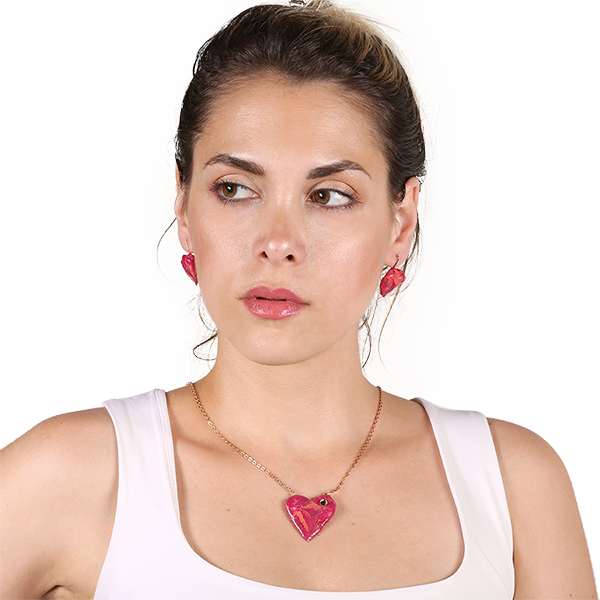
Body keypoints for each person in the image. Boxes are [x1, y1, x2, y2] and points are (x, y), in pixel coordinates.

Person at [0, 0, 596, 598]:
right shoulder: (64, 477)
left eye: (329, 195)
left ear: (400, 222)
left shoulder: (514, 487)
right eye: (235, 189)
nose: (278, 243)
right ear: (183, 206)